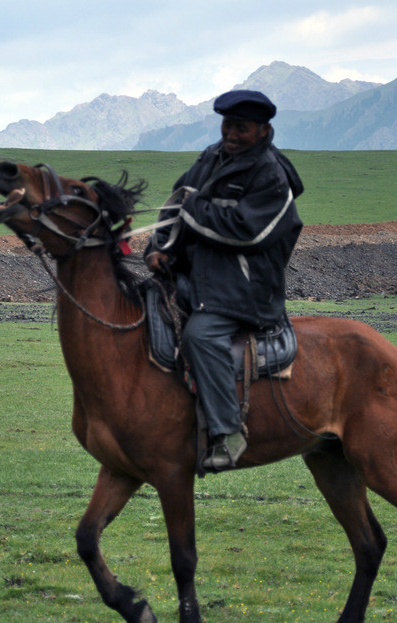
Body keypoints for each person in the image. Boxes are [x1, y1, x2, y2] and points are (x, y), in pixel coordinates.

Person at [144, 89, 304, 473]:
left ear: (264, 130)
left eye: (242, 128)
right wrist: (161, 246)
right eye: (227, 125)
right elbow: (175, 205)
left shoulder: (272, 176)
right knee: (146, 307)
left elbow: (246, 231)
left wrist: (193, 207)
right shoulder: (211, 158)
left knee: (200, 335)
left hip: (244, 290)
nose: (231, 134)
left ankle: (228, 431)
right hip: (198, 278)